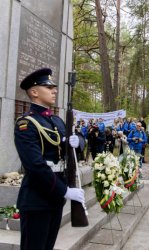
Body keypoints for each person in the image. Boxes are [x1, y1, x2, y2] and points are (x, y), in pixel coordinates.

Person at [14, 68, 85, 250]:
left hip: (54, 199)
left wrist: (80, 142)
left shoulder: (57, 121)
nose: (54, 90)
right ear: (34, 92)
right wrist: (64, 191)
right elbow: (35, 166)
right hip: (37, 199)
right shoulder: (26, 124)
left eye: (54, 87)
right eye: (48, 87)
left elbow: (75, 144)